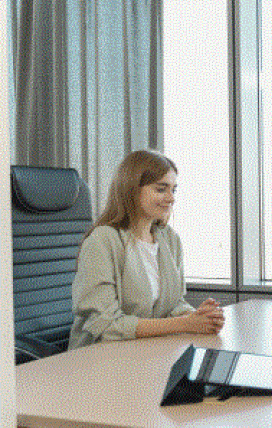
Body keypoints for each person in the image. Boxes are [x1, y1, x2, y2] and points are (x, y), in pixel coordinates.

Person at [68, 149, 224, 349]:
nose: (171, 198)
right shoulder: (102, 241)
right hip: (100, 359)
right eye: (161, 189)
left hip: (147, 352)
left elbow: (173, 305)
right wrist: (186, 323)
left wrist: (198, 316)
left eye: (173, 190)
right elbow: (106, 326)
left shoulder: (170, 239)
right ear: (132, 190)